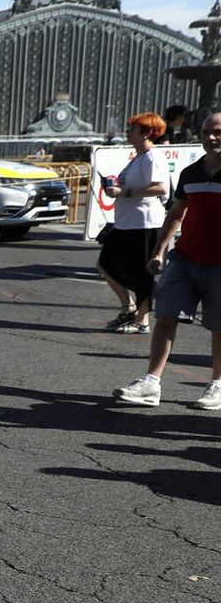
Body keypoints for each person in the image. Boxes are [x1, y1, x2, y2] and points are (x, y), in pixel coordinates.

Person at [113, 110, 221, 410]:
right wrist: (159, 251)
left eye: (218, 132)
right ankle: (151, 382)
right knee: (165, 317)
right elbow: (175, 214)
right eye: (206, 133)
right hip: (185, 259)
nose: (211, 138)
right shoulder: (191, 173)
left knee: (219, 327)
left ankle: (217, 384)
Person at [100, 112, 169, 335]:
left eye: (132, 129)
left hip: (145, 224)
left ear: (146, 133)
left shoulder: (152, 157)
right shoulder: (138, 157)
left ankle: (143, 320)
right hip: (127, 223)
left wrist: (124, 192)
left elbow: (160, 188)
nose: (128, 133)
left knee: (141, 272)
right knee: (105, 263)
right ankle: (128, 307)